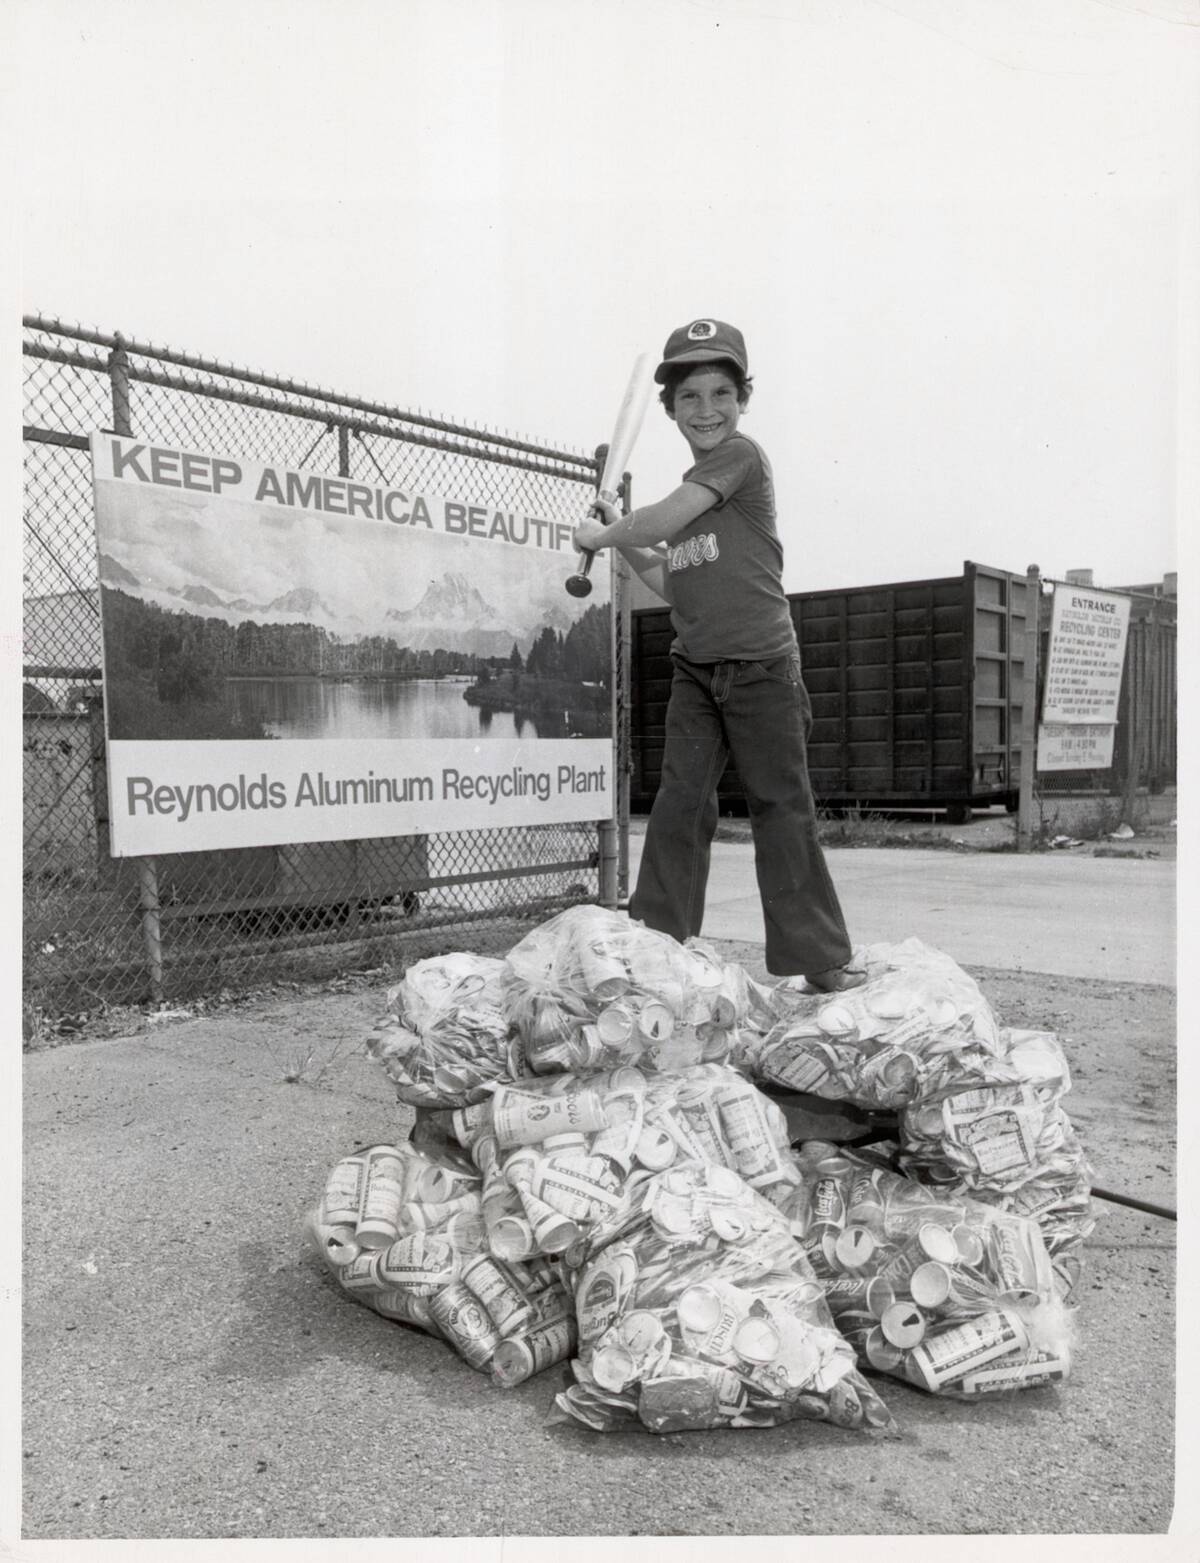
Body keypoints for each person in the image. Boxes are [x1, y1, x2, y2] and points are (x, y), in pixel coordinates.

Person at [573, 317, 864, 991]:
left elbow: (662, 520)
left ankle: (820, 961)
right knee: (680, 802)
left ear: (743, 398)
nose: (707, 409)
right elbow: (669, 577)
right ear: (671, 408)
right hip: (696, 671)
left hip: (763, 668)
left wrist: (603, 526)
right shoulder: (693, 492)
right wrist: (618, 539)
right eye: (690, 397)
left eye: (720, 393)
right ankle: (655, 947)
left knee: (779, 806)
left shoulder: (739, 461)